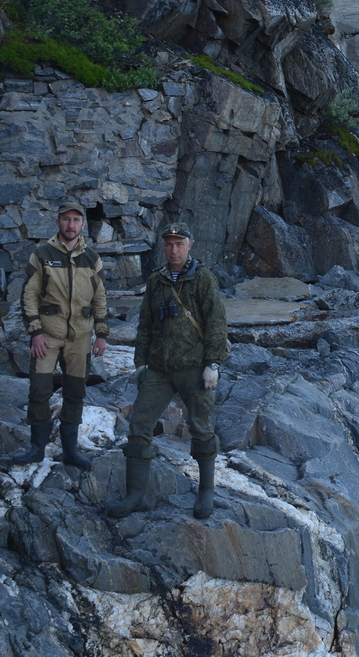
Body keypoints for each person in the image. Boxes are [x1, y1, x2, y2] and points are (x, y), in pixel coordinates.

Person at [108, 222, 227, 519]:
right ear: (164, 247)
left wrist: (213, 364)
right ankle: (135, 495)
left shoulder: (204, 280)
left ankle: (206, 493)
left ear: (190, 245)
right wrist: (140, 364)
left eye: (179, 244)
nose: (174, 250)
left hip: (194, 368)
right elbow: (145, 326)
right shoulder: (157, 282)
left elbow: (216, 324)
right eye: (169, 244)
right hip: (159, 369)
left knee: (201, 428)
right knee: (139, 425)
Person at [6, 202, 109, 468]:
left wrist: (101, 334)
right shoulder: (42, 254)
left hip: (81, 338)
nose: (71, 225)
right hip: (48, 336)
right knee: (39, 390)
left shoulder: (92, 258)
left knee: (75, 392)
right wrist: (35, 332)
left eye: (76, 220)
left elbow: (100, 298)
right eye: (66, 219)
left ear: (82, 225)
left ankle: (70, 452)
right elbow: (29, 294)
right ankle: (36, 448)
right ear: (57, 222)